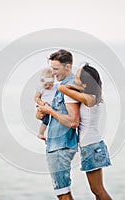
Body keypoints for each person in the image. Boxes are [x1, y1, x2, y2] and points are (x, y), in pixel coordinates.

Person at [58, 63, 113, 200]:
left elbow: (62, 88)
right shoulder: (92, 95)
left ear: (85, 84)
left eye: (77, 76)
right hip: (93, 145)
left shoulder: (89, 99)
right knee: (97, 190)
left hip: (91, 147)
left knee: (98, 190)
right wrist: (79, 86)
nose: (74, 77)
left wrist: (76, 87)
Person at [36, 49, 80, 200]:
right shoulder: (60, 87)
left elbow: (73, 121)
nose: (52, 73)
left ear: (67, 67)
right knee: (62, 193)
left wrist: (49, 110)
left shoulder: (69, 87)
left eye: (56, 69)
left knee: (63, 194)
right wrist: (42, 112)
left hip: (61, 146)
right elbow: (52, 113)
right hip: (57, 145)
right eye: (52, 68)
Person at [34, 68, 57, 141]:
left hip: (52, 107)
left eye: (51, 84)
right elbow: (36, 98)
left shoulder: (56, 87)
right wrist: (42, 103)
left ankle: (53, 136)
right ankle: (41, 133)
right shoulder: (41, 89)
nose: (48, 87)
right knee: (45, 120)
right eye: (46, 85)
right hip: (44, 106)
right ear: (42, 82)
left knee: (54, 121)